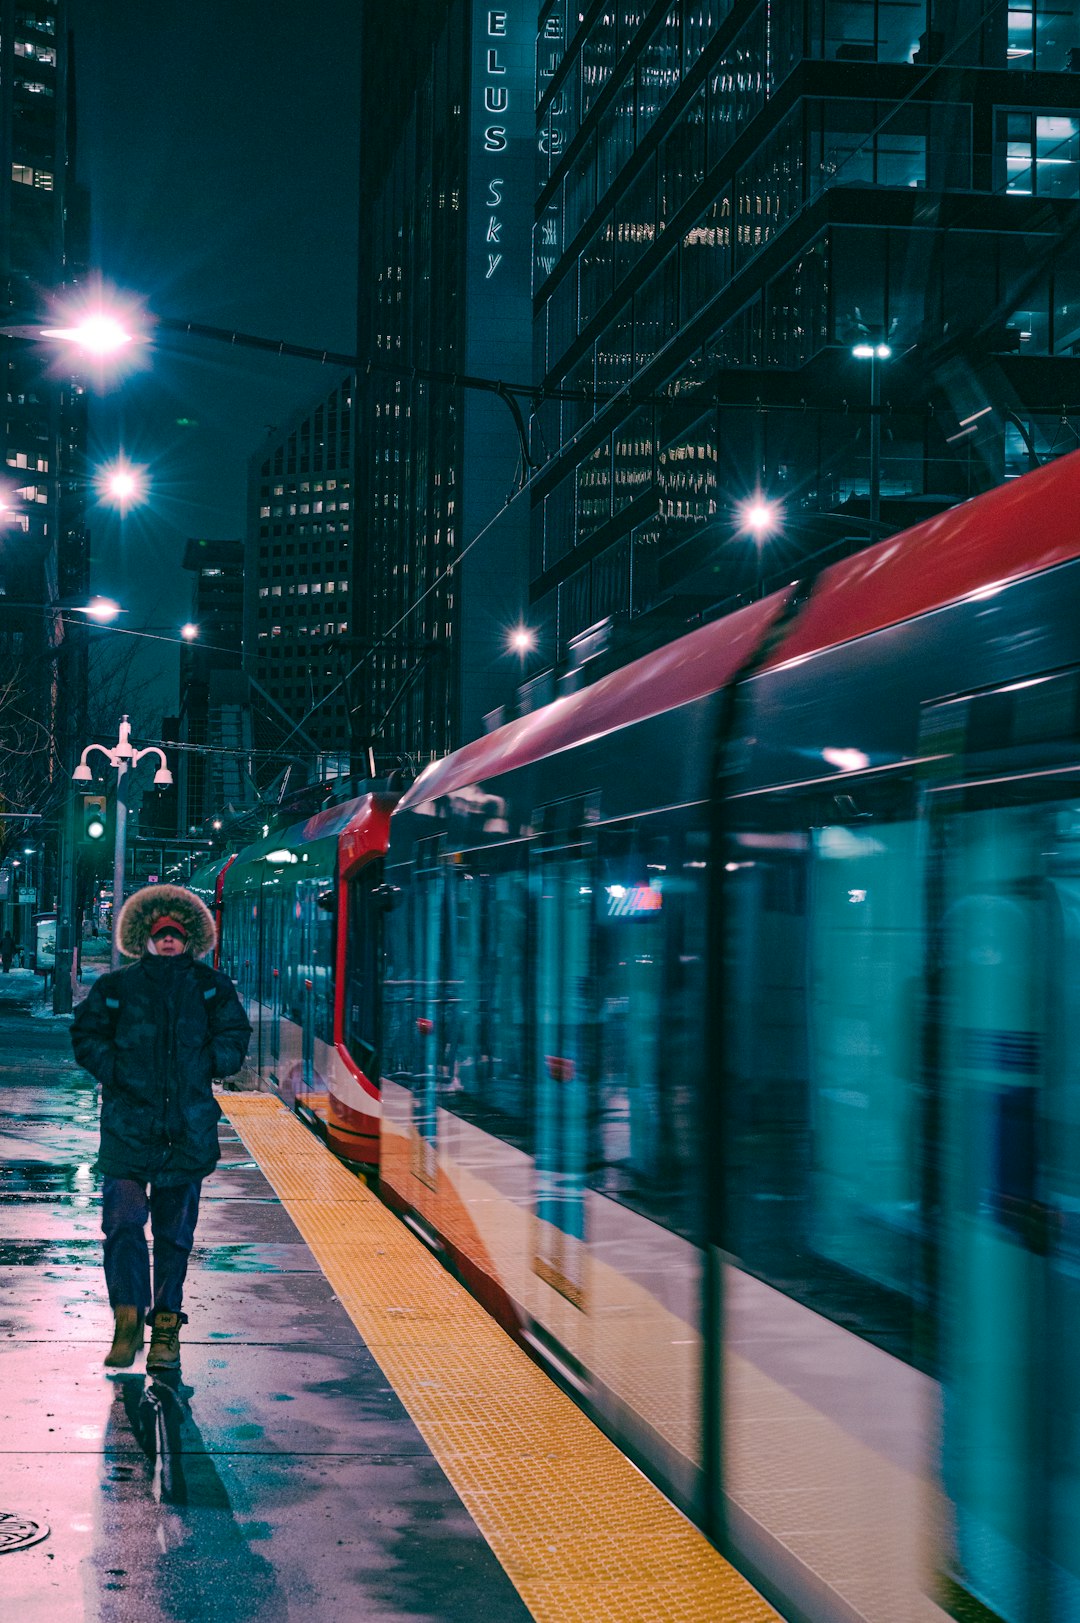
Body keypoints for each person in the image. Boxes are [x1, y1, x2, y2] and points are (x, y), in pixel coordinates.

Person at [71, 884, 251, 1371]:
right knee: (123, 1224)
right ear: (144, 938)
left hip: (187, 1133)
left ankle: (166, 1328)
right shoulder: (117, 987)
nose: (169, 941)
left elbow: (235, 1035)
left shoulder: (212, 988)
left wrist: (209, 1064)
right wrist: (118, 1071)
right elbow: (86, 1035)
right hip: (129, 1130)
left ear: (190, 938)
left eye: (177, 934)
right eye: (160, 934)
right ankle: (127, 1319)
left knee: (175, 1235)